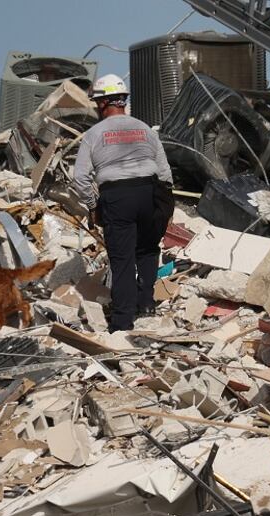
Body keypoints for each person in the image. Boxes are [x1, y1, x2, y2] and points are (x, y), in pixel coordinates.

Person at [72, 73, 173, 332]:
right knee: (148, 248)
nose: (96, 107)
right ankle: (146, 302)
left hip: (117, 196)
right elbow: (164, 173)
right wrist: (164, 204)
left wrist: (94, 205)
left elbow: (80, 177)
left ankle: (122, 322)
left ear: (104, 103)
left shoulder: (93, 135)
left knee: (123, 259)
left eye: (97, 103)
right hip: (150, 191)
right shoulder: (146, 130)